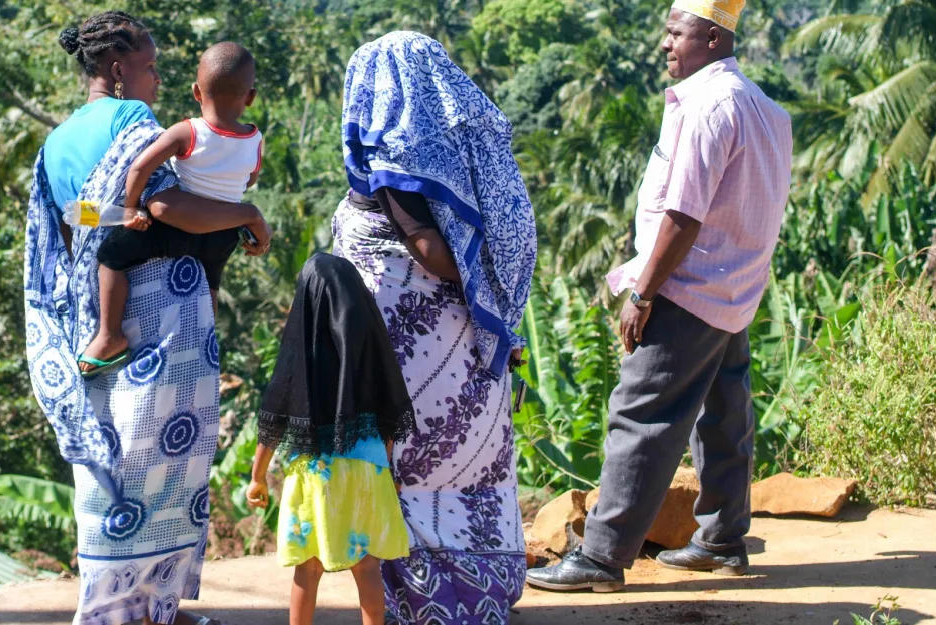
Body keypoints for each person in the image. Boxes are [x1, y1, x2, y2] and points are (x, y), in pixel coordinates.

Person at [526, 0, 793, 593]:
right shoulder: (768, 110)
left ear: (715, 38)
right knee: (724, 414)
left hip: (687, 290)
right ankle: (722, 540)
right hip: (735, 290)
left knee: (641, 415)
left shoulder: (708, 107)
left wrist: (644, 292)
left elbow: (684, 215)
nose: (666, 45)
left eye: (677, 33)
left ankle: (599, 557)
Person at [24, 11, 271, 625]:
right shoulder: (134, 121)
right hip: (160, 315)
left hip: (92, 311)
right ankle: (148, 606)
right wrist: (246, 214)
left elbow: (74, 226)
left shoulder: (55, 143)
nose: (159, 79)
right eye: (151, 66)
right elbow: (165, 204)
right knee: (162, 460)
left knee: (111, 460)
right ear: (116, 69)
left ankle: (125, 607)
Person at [333, 32, 538, 624]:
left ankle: (433, 597)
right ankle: (487, 582)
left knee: (417, 466)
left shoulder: (394, 155)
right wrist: (494, 292)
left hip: (417, 351)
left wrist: (477, 282)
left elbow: (426, 248)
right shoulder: (462, 144)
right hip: (470, 344)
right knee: (476, 462)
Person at [244, 253, 415, 625]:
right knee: (367, 566)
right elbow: (388, 414)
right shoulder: (370, 347)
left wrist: (257, 477)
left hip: (314, 472)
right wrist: (386, 468)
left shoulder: (301, 352)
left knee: (308, 568)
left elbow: (275, 416)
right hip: (369, 469)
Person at [81, 41, 265, 378]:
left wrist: (133, 208)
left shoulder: (187, 131)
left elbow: (139, 168)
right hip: (221, 236)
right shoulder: (255, 139)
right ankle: (202, 349)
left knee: (111, 258)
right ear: (250, 97)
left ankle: (109, 336)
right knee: (210, 283)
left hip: (174, 228)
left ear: (197, 91)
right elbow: (249, 180)